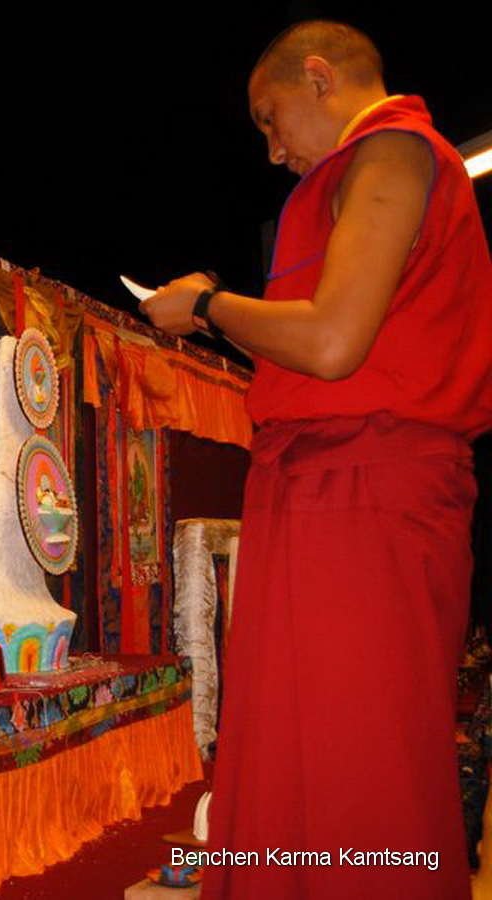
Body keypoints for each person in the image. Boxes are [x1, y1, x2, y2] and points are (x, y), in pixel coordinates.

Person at [142, 20, 492, 899]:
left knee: (359, 763)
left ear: (320, 75)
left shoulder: (395, 151)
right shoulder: (351, 173)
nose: (273, 150)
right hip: (321, 488)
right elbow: (323, 343)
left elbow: (333, 342)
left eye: (271, 119)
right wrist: (223, 315)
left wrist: (211, 306)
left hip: (369, 489)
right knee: (292, 751)